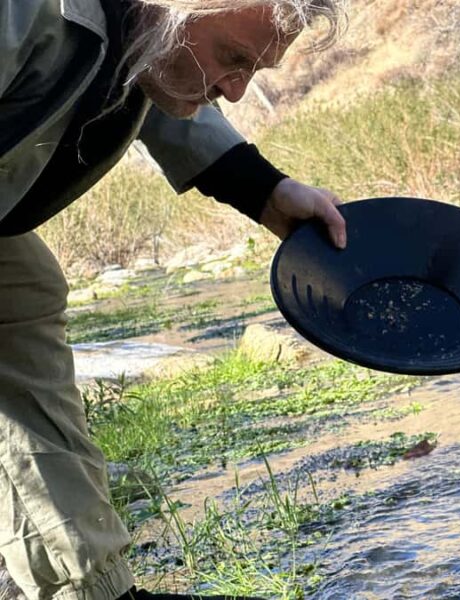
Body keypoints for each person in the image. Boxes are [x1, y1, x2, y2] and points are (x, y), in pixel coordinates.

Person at [0, 0, 348, 598]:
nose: (237, 93)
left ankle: (91, 589)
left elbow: (158, 75)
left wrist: (266, 191)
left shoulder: (145, 29)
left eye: (253, 70)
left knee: (22, 297)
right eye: (234, 60)